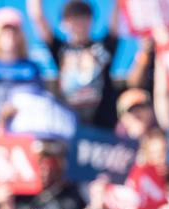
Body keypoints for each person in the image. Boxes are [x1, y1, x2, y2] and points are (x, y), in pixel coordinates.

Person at [26, 0, 119, 128]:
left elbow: (118, 12)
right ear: (63, 23)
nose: (79, 23)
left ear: (91, 20)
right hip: (69, 125)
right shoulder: (60, 49)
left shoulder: (104, 46)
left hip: (103, 123)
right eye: (73, 19)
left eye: (83, 18)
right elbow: (37, 17)